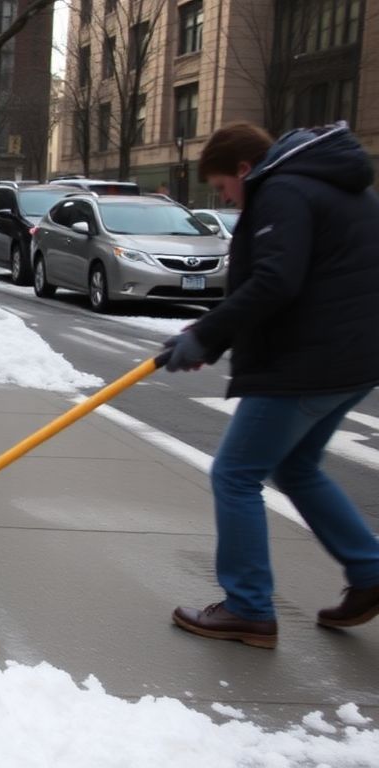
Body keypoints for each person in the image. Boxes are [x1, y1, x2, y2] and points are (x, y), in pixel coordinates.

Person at [163, 121, 379, 648]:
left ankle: (248, 608)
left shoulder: (281, 189)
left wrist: (205, 333)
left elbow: (276, 280)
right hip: (354, 358)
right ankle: (371, 570)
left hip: (306, 363)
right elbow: (305, 280)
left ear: (243, 168)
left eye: (221, 188)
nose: (228, 199)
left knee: (235, 474)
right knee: (295, 466)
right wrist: (208, 344)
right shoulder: (337, 186)